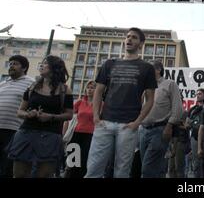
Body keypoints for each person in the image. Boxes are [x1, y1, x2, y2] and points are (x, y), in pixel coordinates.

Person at [85, 28, 157, 178]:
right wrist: (96, 118)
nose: (129, 39)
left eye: (134, 38)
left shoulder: (147, 68)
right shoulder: (109, 64)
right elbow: (98, 91)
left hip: (128, 126)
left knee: (122, 171)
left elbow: (150, 99)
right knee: (94, 168)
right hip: (104, 123)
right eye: (128, 37)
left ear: (141, 44)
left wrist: (137, 122)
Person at [8, 55, 73, 178]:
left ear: (54, 67)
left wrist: (51, 117)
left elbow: (69, 114)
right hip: (26, 134)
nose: (41, 65)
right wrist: (28, 114)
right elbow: (20, 111)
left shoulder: (65, 90)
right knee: (19, 174)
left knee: (44, 175)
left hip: (51, 136)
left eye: (45, 63)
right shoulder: (32, 87)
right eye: (41, 63)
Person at [140, 60, 182, 178]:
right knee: (153, 167)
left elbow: (178, 108)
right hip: (143, 130)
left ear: (158, 70)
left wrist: (169, 126)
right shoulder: (145, 86)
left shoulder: (170, 84)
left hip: (159, 130)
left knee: (148, 169)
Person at [0, 55, 34, 178]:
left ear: (24, 68)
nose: (11, 66)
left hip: (15, 131)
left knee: (7, 167)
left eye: (15, 63)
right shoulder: (2, 84)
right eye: (10, 64)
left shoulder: (31, 83)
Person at [63, 80, 96, 178]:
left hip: (91, 136)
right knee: (73, 162)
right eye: (88, 87)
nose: (89, 90)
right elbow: (67, 117)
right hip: (76, 134)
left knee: (84, 162)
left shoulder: (101, 104)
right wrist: (64, 133)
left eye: (92, 87)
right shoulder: (80, 102)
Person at [186, 88, 204, 178]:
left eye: (200, 94)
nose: (198, 95)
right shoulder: (193, 109)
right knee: (196, 163)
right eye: (197, 94)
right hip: (195, 138)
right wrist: (193, 124)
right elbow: (187, 125)